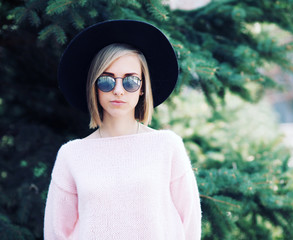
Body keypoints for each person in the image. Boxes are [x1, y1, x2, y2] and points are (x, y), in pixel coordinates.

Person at [44, 20, 201, 240]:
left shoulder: (167, 146)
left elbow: (190, 226)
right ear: (94, 86)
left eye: (130, 81)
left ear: (143, 88)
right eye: (107, 81)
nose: (118, 90)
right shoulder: (72, 155)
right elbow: (56, 233)